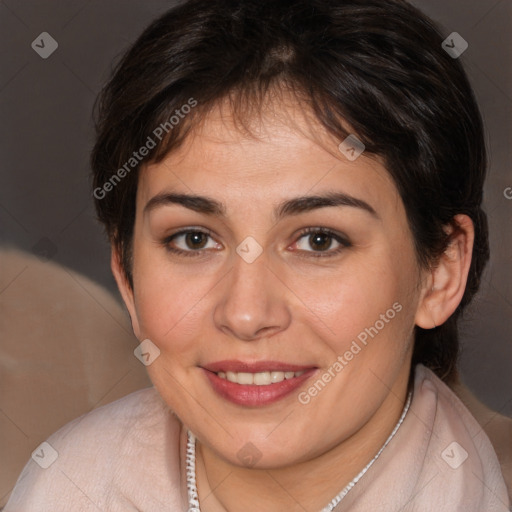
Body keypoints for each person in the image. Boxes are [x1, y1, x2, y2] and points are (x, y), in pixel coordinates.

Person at [5, 0, 511, 510]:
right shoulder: (62, 489)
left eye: (319, 240)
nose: (246, 314)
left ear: (442, 271)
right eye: (194, 239)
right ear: (127, 275)